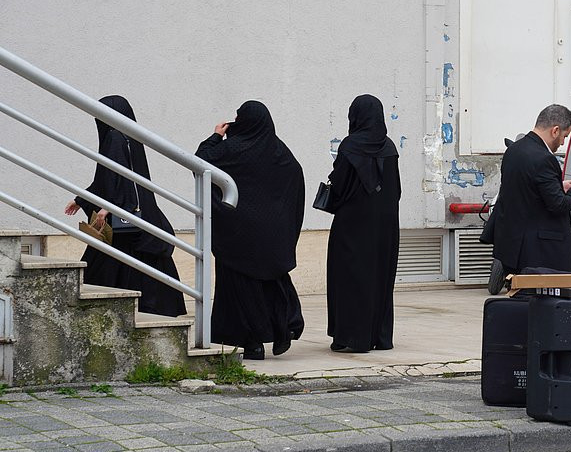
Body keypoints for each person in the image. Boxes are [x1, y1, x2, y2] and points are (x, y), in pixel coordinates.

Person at [195, 100, 304, 360]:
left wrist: (215, 136)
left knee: (242, 290)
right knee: (273, 282)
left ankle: (252, 344)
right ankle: (282, 330)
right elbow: (295, 176)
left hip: (239, 235)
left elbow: (199, 161)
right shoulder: (279, 151)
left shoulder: (232, 148)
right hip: (271, 236)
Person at [64, 95, 186, 317]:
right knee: (127, 260)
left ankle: (98, 311)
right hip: (135, 213)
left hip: (121, 212)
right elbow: (110, 177)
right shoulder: (130, 136)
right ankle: (155, 307)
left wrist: (107, 207)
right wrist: (81, 199)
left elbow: (116, 176)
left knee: (107, 260)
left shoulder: (114, 137)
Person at [326, 94, 400, 353]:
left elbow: (340, 184)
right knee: (380, 276)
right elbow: (396, 190)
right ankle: (380, 337)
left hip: (353, 223)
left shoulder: (350, 146)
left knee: (350, 277)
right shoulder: (390, 147)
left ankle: (350, 336)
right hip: (385, 225)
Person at [488, 104, 571, 274]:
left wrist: (558, 186)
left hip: (512, 245)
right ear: (555, 130)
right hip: (538, 251)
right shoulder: (544, 159)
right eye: (565, 136)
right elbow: (558, 205)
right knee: (539, 299)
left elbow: (525, 189)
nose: (563, 143)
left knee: (518, 296)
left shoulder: (514, 150)